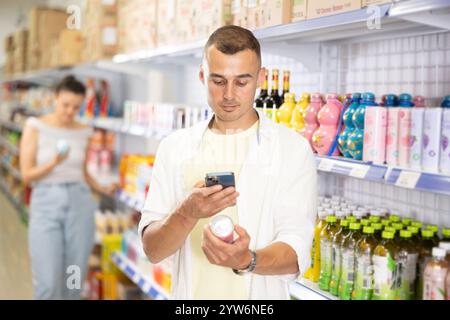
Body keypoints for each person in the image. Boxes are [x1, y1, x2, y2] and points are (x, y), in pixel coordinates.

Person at [139, 26, 317, 300]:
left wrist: (247, 259)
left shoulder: (292, 149)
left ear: (261, 78)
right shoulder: (174, 147)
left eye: (242, 82)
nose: (229, 95)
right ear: (202, 76)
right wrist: (187, 213)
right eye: (218, 81)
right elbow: (153, 250)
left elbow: (297, 253)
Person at [20, 75, 117, 299]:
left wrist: (102, 188)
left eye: (76, 107)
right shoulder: (35, 126)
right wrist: (55, 162)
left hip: (79, 205)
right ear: (55, 98)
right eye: (65, 105)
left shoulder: (84, 131)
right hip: (46, 204)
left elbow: (82, 173)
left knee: (74, 277)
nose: (69, 112)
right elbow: (27, 175)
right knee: (48, 280)